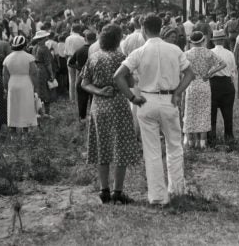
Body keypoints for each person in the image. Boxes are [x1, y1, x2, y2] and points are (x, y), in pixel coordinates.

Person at [114, 13, 194, 206]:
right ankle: (177, 189)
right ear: (161, 28)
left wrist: (132, 97)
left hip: (146, 100)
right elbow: (190, 74)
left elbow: (118, 76)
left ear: (143, 29)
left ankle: (158, 196)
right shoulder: (174, 49)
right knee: (174, 146)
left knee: (151, 151)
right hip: (169, 99)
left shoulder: (139, 52)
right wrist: (177, 93)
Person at [81, 24, 139, 204]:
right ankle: (118, 191)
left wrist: (98, 91)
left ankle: (103, 189)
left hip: (98, 106)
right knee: (121, 148)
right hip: (118, 105)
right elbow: (129, 82)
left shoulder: (93, 57)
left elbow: (84, 83)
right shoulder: (121, 57)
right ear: (117, 39)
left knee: (102, 147)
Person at [183, 31, 226, 148]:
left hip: (191, 84)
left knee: (190, 112)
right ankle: (202, 142)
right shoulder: (208, 53)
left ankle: (190, 141)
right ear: (203, 40)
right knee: (204, 112)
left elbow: (180, 68)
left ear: (191, 42)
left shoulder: (186, 54)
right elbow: (223, 64)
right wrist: (210, 72)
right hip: (204, 83)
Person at [4, 36, 39, 132]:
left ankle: (13, 132)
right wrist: (36, 88)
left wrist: (6, 89)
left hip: (12, 83)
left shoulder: (8, 58)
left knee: (13, 107)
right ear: (24, 45)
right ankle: (25, 131)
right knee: (26, 106)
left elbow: (5, 76)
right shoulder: (29, 57)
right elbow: (34, 73)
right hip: (26, 83)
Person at [209, 30, 237, 143]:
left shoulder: (209, 53)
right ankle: (229, 136)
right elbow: (233, 71)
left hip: (213, 83)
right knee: (228, 112)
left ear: (214, 41)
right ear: (223, 40)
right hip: (226, 83)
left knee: (212, 113)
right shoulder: (229, 53)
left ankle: (212, 138)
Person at [69, 31, 97, 123]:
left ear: (85, 39)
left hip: (81, 76)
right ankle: (94, 117)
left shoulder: (79, 50)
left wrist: (80, 68)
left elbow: (70, 63)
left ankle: (82, 117)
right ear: (95, 39)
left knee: (82, 98)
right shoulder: (96, 50)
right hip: (93, 77)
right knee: (94, 98)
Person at [32, 30, 55, 116]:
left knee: (37, 90)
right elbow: (48, 63)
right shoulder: (44, 48)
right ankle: (47, 113)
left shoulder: (34, 47)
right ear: (43, 39)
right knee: (46, 90)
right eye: (45, 37)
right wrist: (51, 73)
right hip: (43, 69)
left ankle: (38, 111)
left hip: (35, 68)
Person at [65, 24, 85, 103]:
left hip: (70, 58)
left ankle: (72, 98)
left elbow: (65, 52)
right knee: (78, 79)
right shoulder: (82, 39)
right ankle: (77, 98)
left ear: (72, 29)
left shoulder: (68, 38)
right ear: (79, 30)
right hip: (79, 59)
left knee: (71, 79)